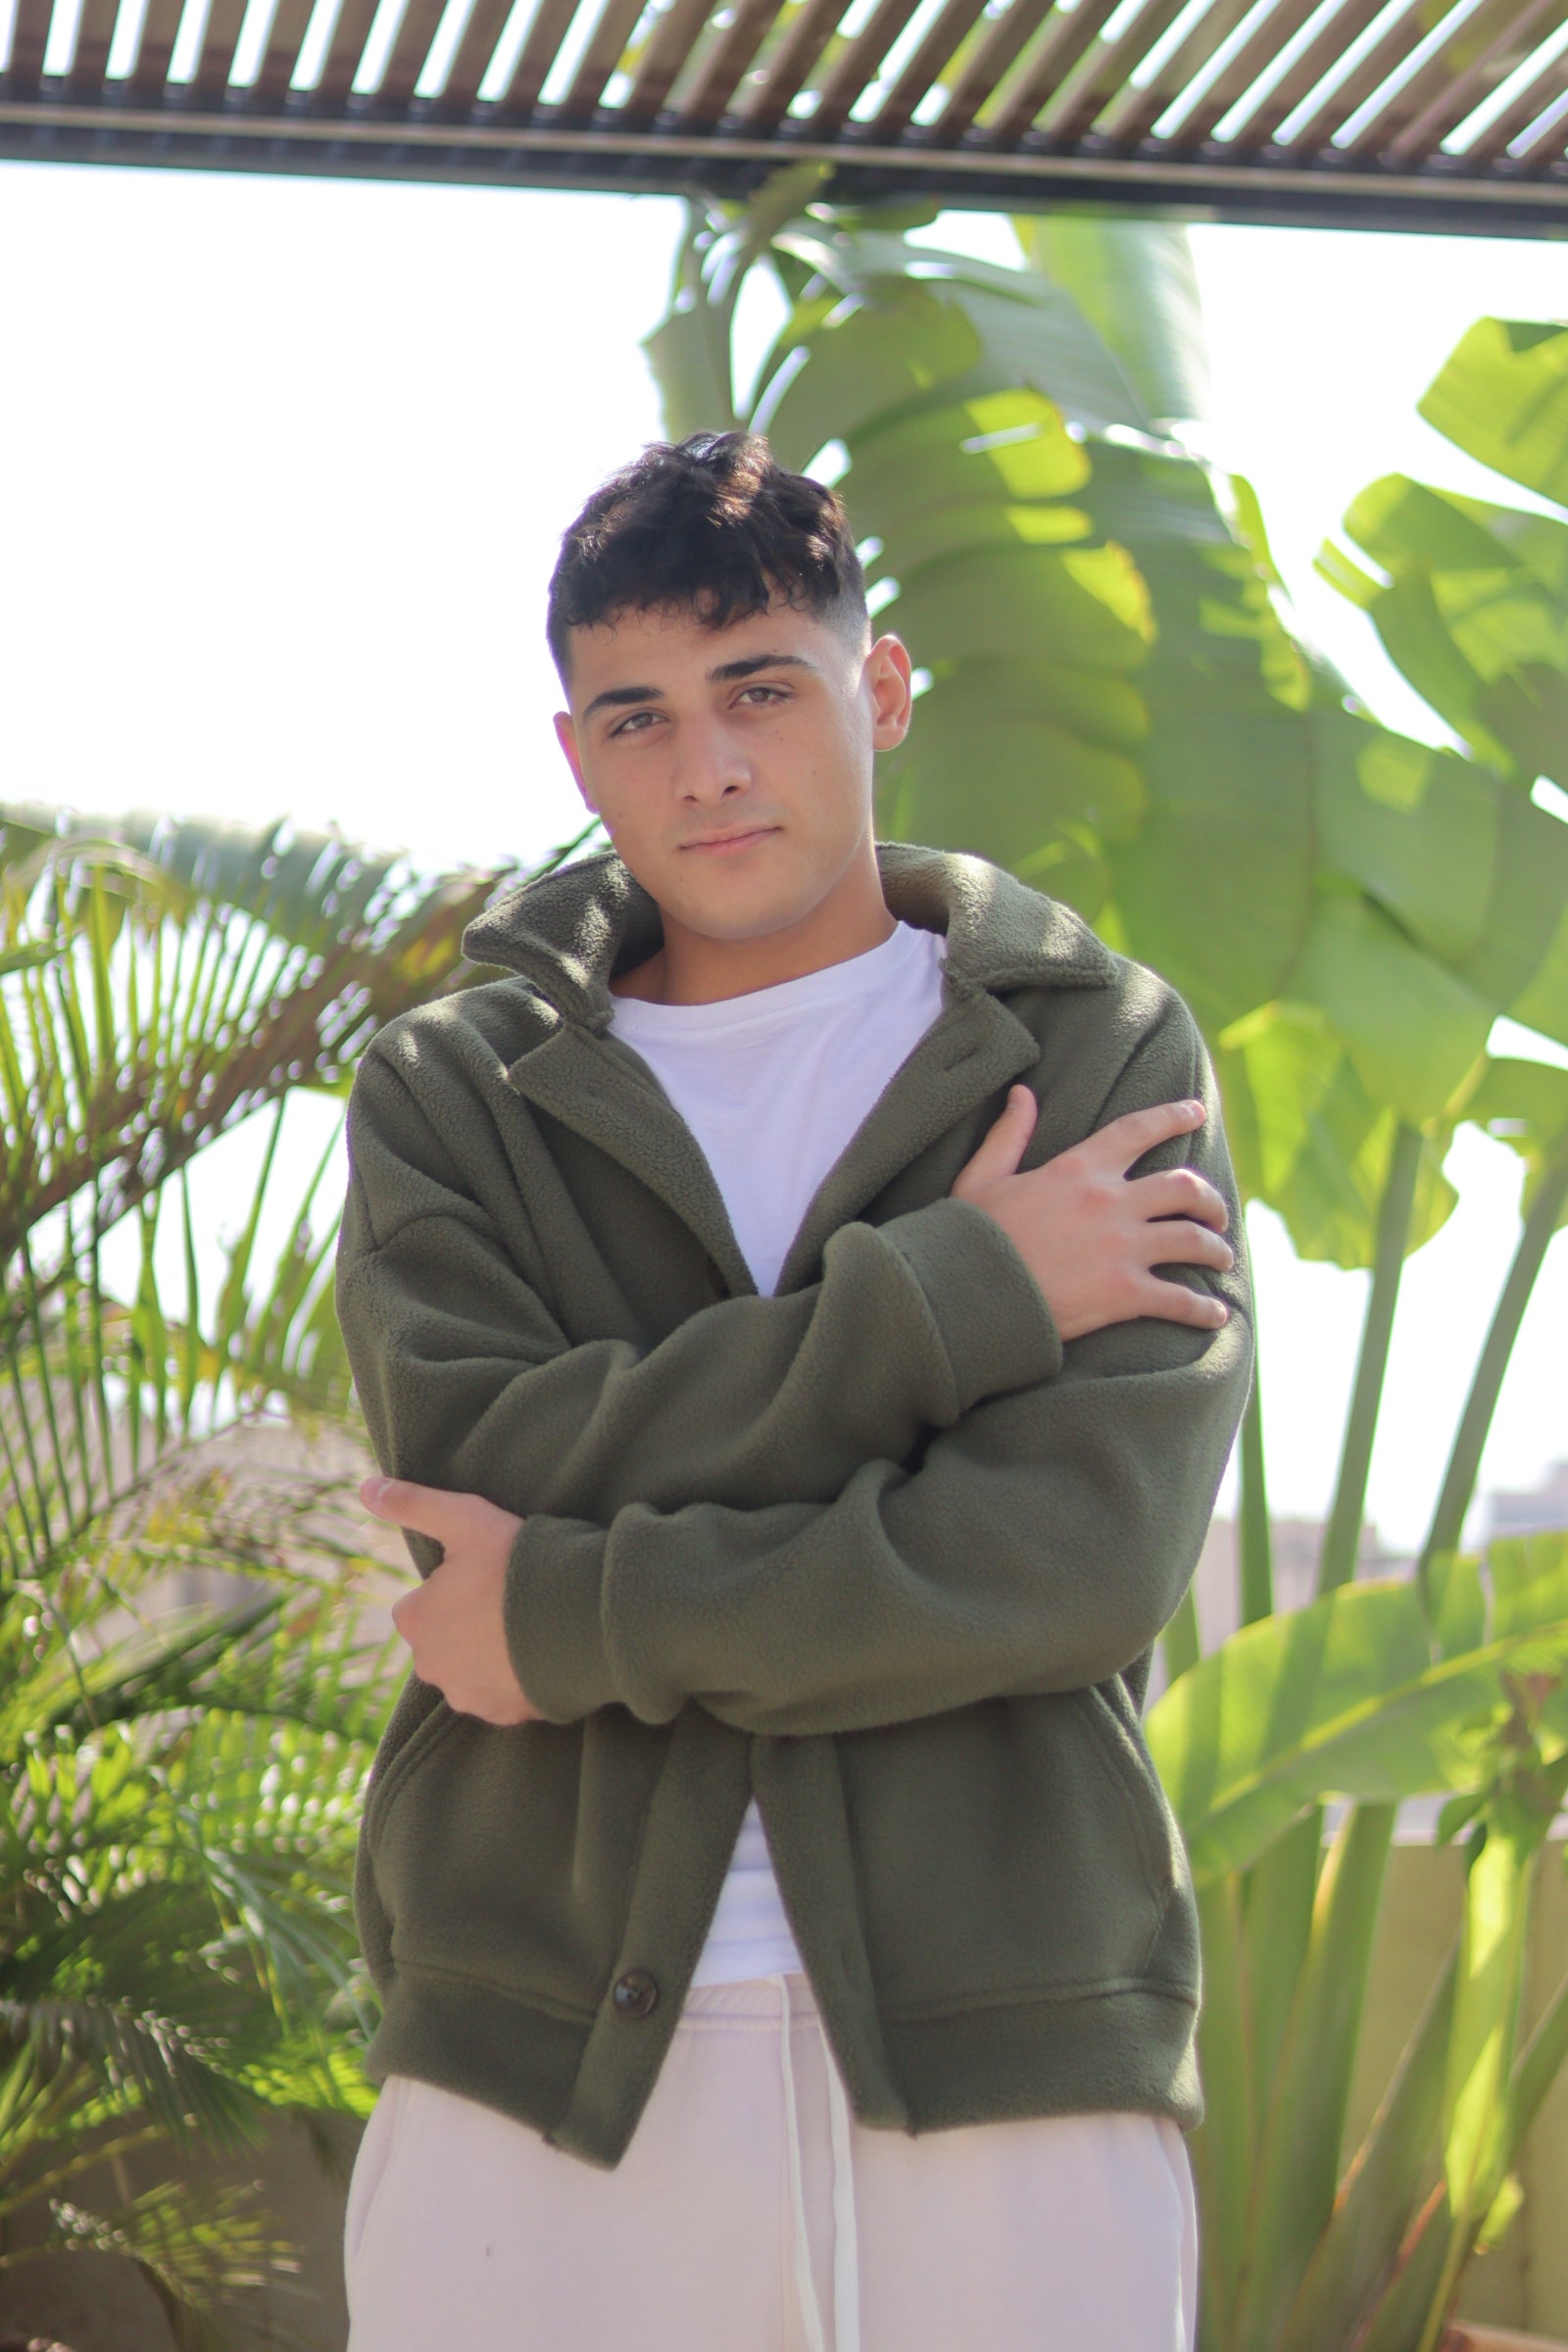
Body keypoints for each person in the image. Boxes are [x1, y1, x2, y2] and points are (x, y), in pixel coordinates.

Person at [333, 430, 1252, 2352]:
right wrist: (959, 1300)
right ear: (577, 756)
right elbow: (486, 1465)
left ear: (879, 687)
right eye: (639, 718)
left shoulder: (1091, 1048)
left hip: (1010, 2035)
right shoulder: (450, 1093)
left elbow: (1065, 1562)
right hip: (533, 2047)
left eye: (760, 689)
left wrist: (571, 1615)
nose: (709, 767)